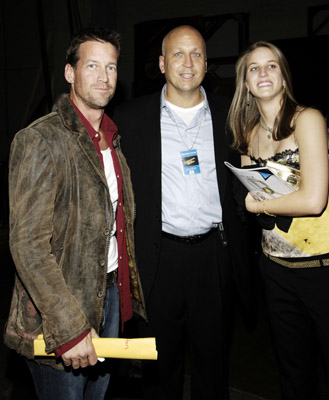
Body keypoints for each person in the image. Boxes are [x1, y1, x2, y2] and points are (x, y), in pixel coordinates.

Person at [4, 27, 146, 400]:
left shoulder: (113, 140)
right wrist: (69, 327)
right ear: (70, 73)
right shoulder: (40, 139)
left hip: (109, 297)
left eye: (112, 68)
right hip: (61, 308)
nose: (104, 77)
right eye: (93, 65)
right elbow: (28, 245)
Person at [113, 25, 252, 399]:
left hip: (214, 256)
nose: (187, 63)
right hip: (158, 258)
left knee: (213, 362)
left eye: (196, 55)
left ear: (206, 63)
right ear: (161, 63)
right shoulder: (130, 118)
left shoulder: (231, 114)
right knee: (159, 368)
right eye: (177, 54)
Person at [228, 41, 329, 400]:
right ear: (246, 83)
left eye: (272, 66)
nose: (263, 73)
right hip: (275, 268)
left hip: (321, 267)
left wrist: (256, 207)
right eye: (254, 68)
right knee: (293, 371)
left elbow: (314, 200)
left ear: (284, 76)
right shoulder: (248, 135)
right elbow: (253, 191)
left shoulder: (308, 119)